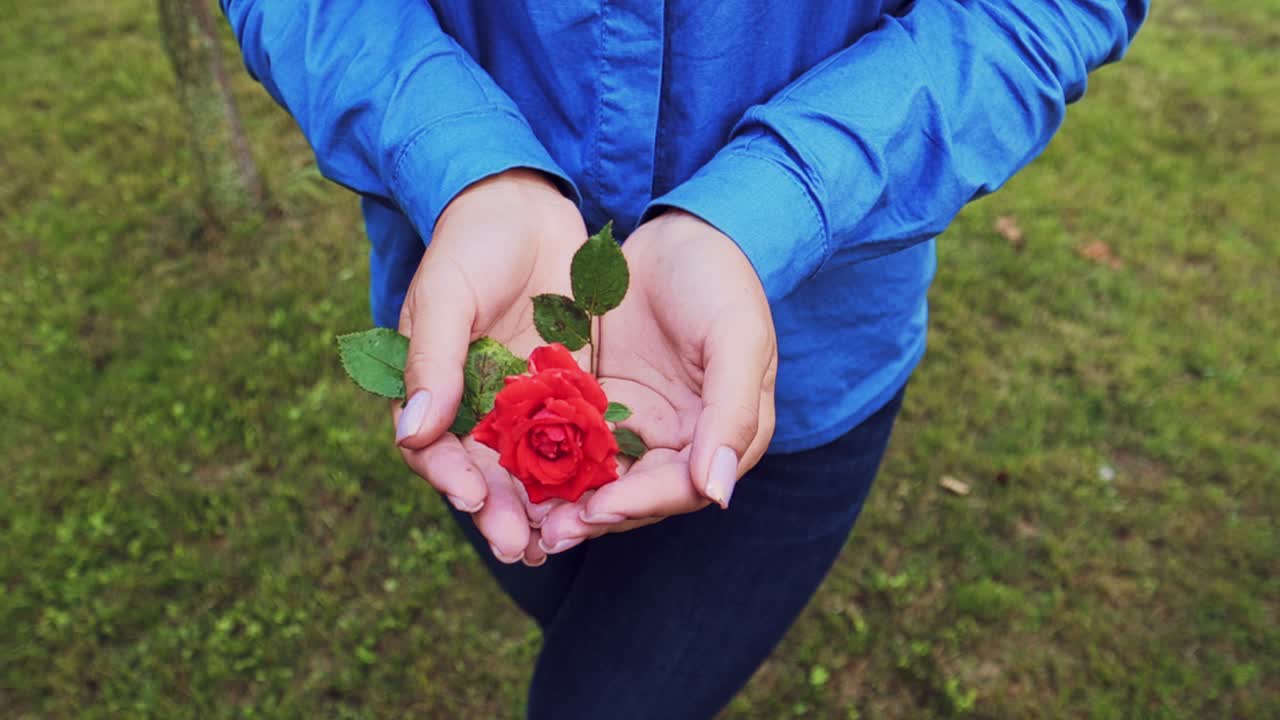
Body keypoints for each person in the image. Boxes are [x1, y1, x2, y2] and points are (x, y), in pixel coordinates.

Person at [223, 1, 1148, 717]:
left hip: (803, 376)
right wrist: (464, 162)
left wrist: (768, 206)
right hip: (480, 348)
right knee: (572, 606)